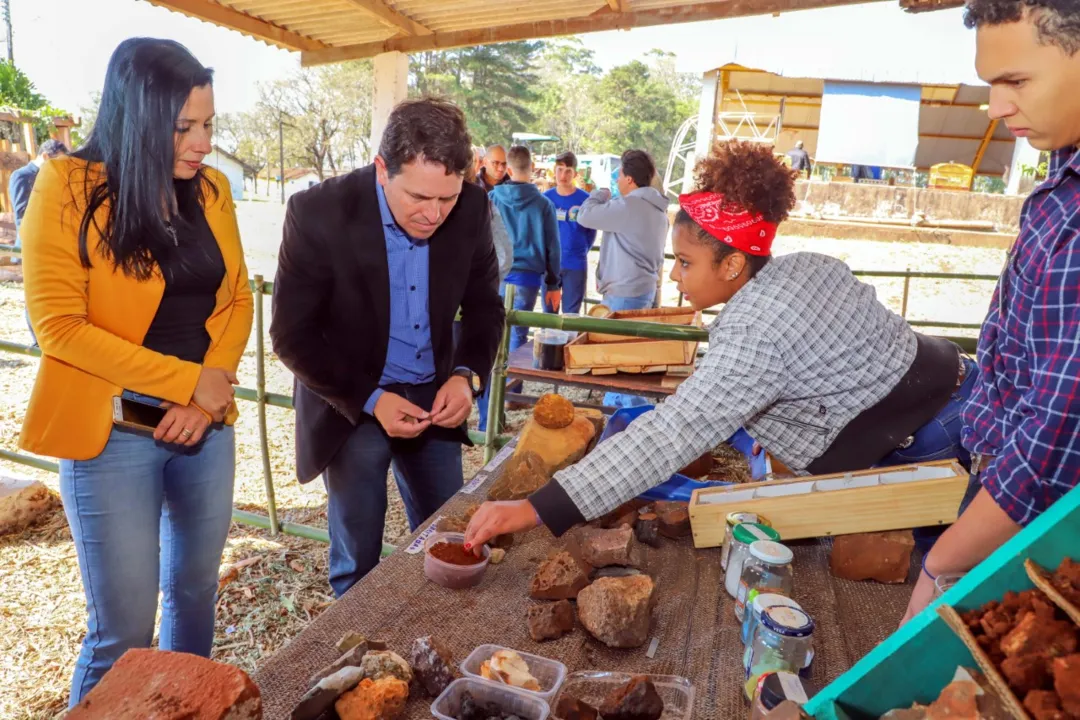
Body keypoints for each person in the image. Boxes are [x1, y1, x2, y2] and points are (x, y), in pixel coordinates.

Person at [463, 140, 978, 554]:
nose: (674, 274)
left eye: (685, 262)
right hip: (959, 388)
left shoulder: (755, 326)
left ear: (732, 265)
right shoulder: (807, 265)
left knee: (937, 582)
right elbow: (833, 369)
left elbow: (671, 435)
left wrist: (535, 509)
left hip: (938, 438)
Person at [19, 38, 252, 704]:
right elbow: (60, 329)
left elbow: (238, 297)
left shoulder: (213, 189)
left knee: (195, 596)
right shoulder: (65, 187)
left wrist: (204, 402)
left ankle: (184, 708)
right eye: (184, 128)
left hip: (204, 427)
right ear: (137, 118)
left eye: (209, 124)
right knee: (121, 633)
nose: (203, 142)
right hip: (114, 428)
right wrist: (187, 383)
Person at [270, 98, 504, 597]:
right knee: (358, 557)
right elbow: (291, 334)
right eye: (419, 197)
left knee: (449, 538)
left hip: (432, 391)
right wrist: (372, 399)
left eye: (448, 198)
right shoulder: (318, 212)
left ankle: (437, 637)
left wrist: (466, 375)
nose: (434, 214)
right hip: (352, 396)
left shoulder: (472, 208)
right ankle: (356, 660)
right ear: (381, 169)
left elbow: (486, 307)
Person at [901, 0, 1080, 623]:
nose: (997, 106)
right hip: (997, 477)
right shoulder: (1063, 173)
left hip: (1030, 509)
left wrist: (943, 562)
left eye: (1016, 81)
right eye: (991, 85)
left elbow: (1058, 432)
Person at [477, 145, 561, 432]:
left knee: (491, 340)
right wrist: (553, 283)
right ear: (532, 167)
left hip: (495, 276)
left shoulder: (491, 199)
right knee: (517, 335)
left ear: (509, 169)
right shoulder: (543, 204)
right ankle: (512, 393)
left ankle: (491, 413)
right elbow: (553, 247)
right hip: (527, 279)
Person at [576, 149, 669, 408]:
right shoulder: (658, 209)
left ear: (629, 179)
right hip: (645, 287)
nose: (617, 181)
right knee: (629, 358)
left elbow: (585, 216)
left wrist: (600, 193)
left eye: (619, 176)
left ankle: (631, 417)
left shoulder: (628, 206)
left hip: (624, 291)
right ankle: (617, 414)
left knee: (619, 361)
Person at [10, 138, 69, 344]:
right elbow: (21, 212)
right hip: (32, 243)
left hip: (54, 243)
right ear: (45, 156)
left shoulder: (54, 175)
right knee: (34, 293)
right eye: (57, 161)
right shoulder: (22, 176)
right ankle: (37, 339)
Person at [543, 150, 596, 316]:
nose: (563, 175)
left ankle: (568, 342)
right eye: (559, 170)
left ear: (575, 173)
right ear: (554, 170)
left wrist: (579, 251)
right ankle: (550, 343)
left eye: (568, 171)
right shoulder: (545, 198)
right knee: (548, 316)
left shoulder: (586, 200)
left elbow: (591, 232)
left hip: (575, 264)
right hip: (550, 266)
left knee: (571, 316)